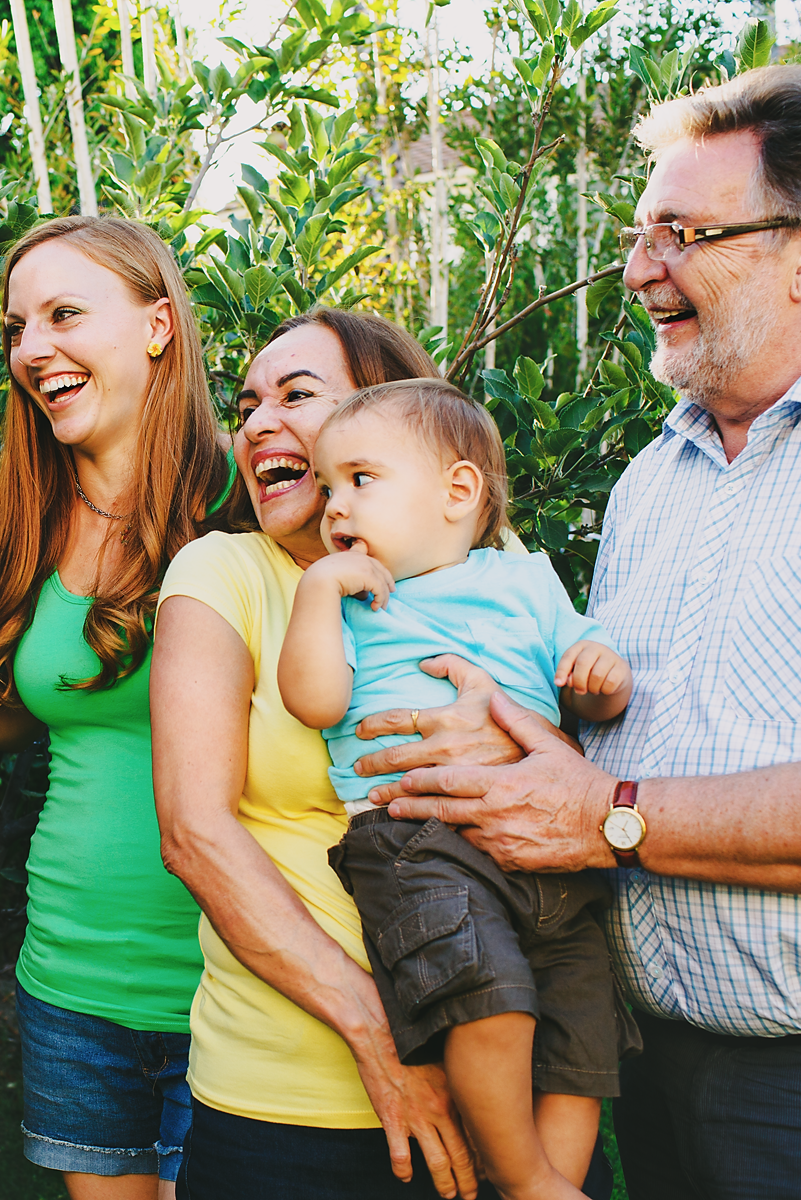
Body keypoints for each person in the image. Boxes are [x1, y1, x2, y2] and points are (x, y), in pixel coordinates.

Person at [374, 65, 801, 1198]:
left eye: (681, 234)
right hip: (663, 1080)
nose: (638, 270)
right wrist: (525, 747)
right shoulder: (649, 481)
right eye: (639, 234)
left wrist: (606, 817)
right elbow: (640, 762)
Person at [153, 308, 499, 1200]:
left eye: (296, 395)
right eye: (248, 403)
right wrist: (384, 1040)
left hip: (492, 1073)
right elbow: (195, 833)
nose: (258, 422)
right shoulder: (221, 572)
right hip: (285, 1103)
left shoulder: (479, 578)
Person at [277, 379, 638, 1200]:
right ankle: (524, 1177)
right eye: (327, 488)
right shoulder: (358, 602)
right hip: (417, 836)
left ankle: (556, 1177)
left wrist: (600, 677)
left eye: (359, 480)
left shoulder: (528, 582)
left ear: (459, 491)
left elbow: (590, 682)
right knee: (489, 999)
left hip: (549, 842)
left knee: (582, 1027)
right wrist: (316, 593)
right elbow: (315, 700)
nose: (335, 507)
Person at [0, 215, 244, 1199]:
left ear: (158, 325)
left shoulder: (249, 492)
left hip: (232, 980)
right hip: (72, 983)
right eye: (15, 328)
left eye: (64, 314)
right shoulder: (25, 519)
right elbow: (6, 710)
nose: (32, 350)